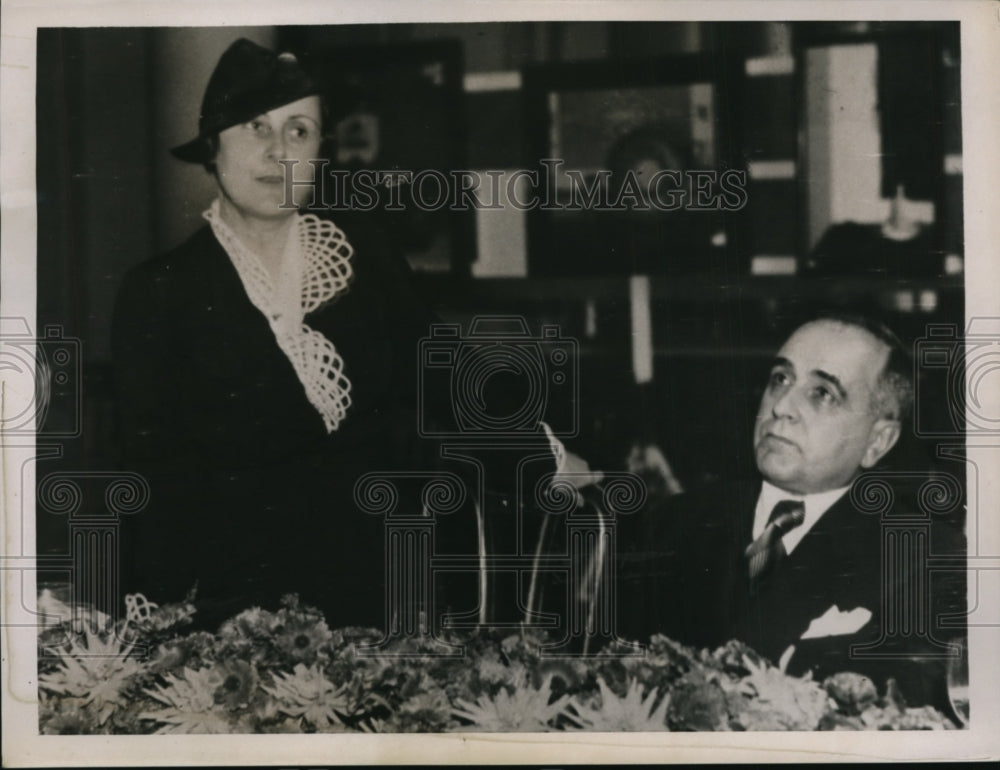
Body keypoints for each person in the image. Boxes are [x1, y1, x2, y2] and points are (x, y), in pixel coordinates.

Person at [112, 38, 597, 632]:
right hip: (240, 624)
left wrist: (542, 456)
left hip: (388, 602)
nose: (277, 151)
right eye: (254, 127)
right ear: (213, 147)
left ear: (320, 152)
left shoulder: (360, 251)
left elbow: (440, 374)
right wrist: (166, 629)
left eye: (299, 131)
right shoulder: (159, 292)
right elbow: (154, 487)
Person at [617, 313, 966, 714]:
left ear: (877, 441)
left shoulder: (923, 558)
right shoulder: (673, 523)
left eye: (822, 393)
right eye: (780, 379)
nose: (781, 406)